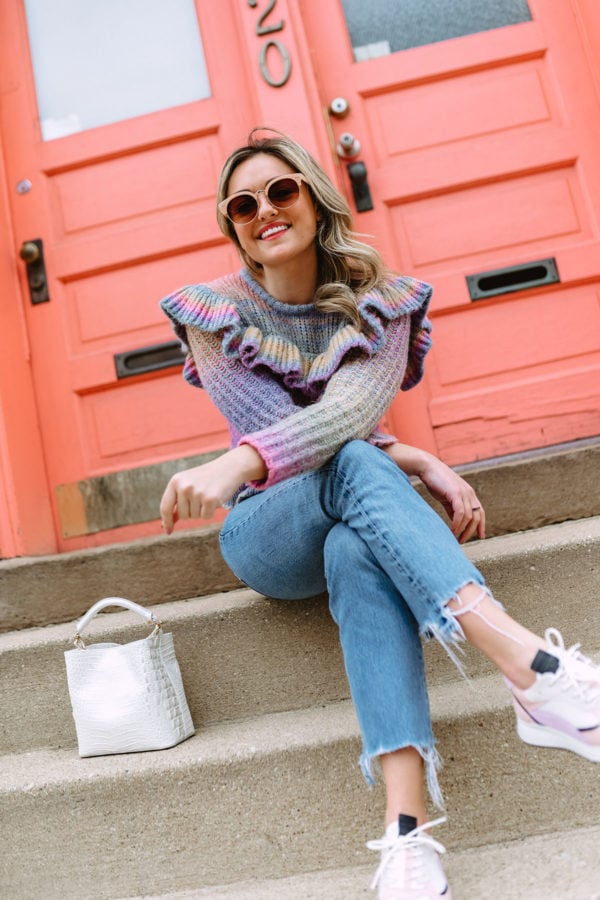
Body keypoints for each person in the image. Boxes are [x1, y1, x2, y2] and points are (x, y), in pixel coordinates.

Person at [159, 128, 600, 899]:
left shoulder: (382, 302)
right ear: (231, 229)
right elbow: (304, 439)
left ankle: (406, 837)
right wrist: (415, 458)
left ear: (315, 197)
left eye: (281, 190)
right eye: (242, 205)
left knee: (357, 555)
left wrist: (238, 458)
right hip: (266, 531)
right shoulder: (214, 313)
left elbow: (349, 416)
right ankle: (529, 666)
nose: (264, 211)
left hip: (342, 517)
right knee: (354, 467)